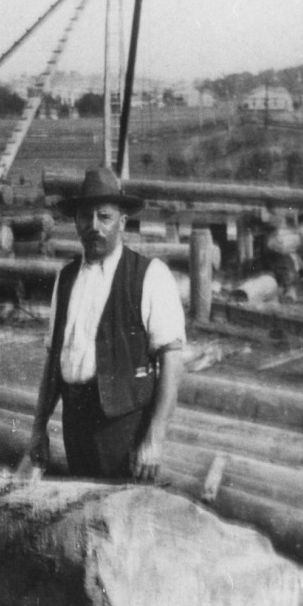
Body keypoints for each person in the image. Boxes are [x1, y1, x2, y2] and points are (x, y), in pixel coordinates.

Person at [28, 167, 185, 481]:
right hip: (76, 424)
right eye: (85, 217)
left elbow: (172, 359)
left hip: (124, 428)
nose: (94, 226)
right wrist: (38, 428)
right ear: (76, 222)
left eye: (105, 217)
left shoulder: (150, 275)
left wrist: (154, 438)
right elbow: (53, 361)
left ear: (122, 222)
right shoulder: (66, 278)